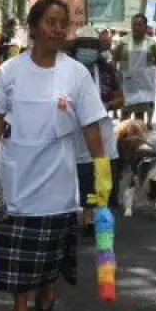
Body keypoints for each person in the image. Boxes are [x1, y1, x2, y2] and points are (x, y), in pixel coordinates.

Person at [0, 0, 110, 311]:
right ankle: (19, 309)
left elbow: (91, 125)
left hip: (56, 172)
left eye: (62, 23)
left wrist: (102, 171)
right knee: (14, 242)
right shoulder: (9, 71)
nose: (57, 29)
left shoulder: (76, 73)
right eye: (50, 22)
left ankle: (45, 286)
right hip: (15, 170)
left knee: (51, 242)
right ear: (34, 27)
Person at [66, 25, 122, 227]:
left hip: (102, 126)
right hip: (76, 128)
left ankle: (103, 210)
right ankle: (87, 215)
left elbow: (120, 98)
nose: (87, 49)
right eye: (84, 45)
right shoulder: (65, 69)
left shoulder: (106, 70)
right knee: (85, 171)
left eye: (92, 45)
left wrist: (104, 105)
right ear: (76, 47)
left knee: (106, 168)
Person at [113, 13, 156, 129]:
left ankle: (137, 142)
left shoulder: (152, 43)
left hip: (144, 83)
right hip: (126, 83)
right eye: (134, 25)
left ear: (146, 27)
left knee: (139, 116)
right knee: (125, 114)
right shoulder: (123, 41)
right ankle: (122, 140)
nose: (136, 27)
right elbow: (114, 60)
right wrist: (114, 78)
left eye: (139, 25)